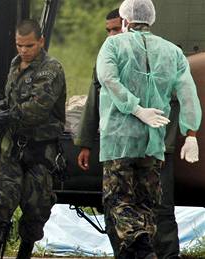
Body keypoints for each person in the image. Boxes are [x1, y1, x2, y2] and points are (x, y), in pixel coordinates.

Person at [96, 0, 202, 258]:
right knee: (146, 203)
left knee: (118, 201)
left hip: (119, 142)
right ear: (151, 19)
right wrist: (191, 134)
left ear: (124, 20)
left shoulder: (113, 44)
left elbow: (108, 78)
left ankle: (141, 246)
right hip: (153, 143)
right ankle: (146, 250)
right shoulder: (172, 52)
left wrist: (135, 108)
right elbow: (188, 93)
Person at [75, 8, 182, 259]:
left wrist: (165, 144)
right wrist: (86, 142)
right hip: (119, 144)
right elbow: (95, 99)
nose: (112, 34)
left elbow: (174, 100)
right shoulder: (108, 56)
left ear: (127, 23)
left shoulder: (157, 54)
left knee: (158, 208)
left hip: (153, 146)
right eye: (108, 30)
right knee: (117, 208)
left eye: (116, 28)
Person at [0, 19, 66, 259]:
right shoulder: (15, 64)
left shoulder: (51, 69)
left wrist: (5, 116)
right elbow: (12, 98)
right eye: (19, 45)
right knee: (0, 202)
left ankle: (25, 253)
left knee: (35, 208)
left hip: (40, 150)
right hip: (12, 147)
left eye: (29, 46)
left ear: (40, 41)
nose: (23, 50)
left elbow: (36, 110)